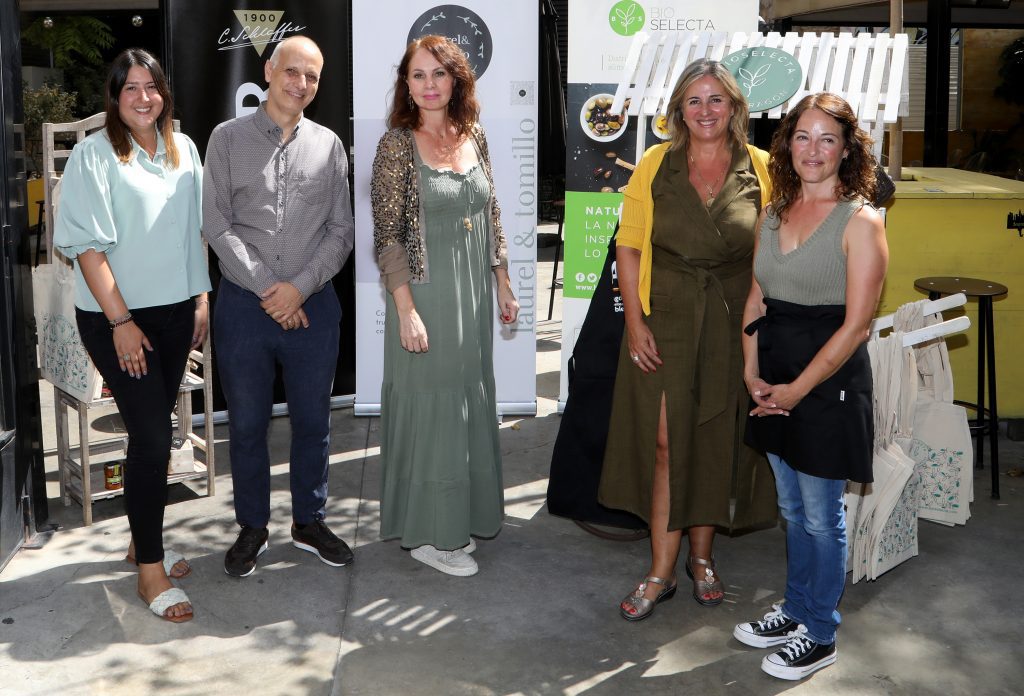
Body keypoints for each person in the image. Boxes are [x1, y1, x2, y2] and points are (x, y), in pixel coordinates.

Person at [600, 60, 777, 621]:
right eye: (694, 101)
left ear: (734, 108)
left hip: (732, 318)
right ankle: (660, 570)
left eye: (716, 100)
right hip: (664, 315)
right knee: (664, 444)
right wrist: (633, 321)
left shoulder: (764, 168)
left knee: (714, 441)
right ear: (679, 109)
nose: (705, 111)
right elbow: (628, 245)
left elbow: (772, 250)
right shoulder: (655, 164)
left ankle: (702, 561)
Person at [734, 93, 888, 680]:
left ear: (847, 148)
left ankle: (820, 631)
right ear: (787, 143)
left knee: (823, 516)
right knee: (793, 509)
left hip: (827, 385)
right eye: (803, 136)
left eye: (827, 138)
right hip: (772, 378)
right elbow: (755, 296)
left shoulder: (862, 221)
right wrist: (752, 373)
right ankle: (797, 608)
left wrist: (797, 390)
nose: (813, 150)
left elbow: (856, 326)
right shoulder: (774, 213)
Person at [54, 48, 211, 623]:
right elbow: (89, 251)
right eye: (130, 88)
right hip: (116, 318)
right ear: (115, 98)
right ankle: (150, 571)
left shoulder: (183, 149)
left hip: (175, 314)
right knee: (152, 436)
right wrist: (121, 322)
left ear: (163, 93)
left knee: (149, 432)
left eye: (152, 86)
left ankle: (135, 540)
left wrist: (200, 298)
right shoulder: (94, 156)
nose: (143, 97)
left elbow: (194, 231)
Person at [203, 36, 355, 577]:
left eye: (312, 77)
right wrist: (272, 288)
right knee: (246, 424)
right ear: (269, 71)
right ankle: (252, 526)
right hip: (245, 309)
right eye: (292, 72)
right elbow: (216, 225)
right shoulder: (225, 139)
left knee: (314, 422)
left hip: (314, 309)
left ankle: (309, 521)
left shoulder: (330, 146)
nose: (301, 84)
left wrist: (300, 287)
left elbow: (342, 231)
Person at [371, 35, 519, 577]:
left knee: (466, 405)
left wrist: (502, 280)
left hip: (472, 296)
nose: (429, 85)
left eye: (439, 74)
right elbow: (387, 238)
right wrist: (406, 309)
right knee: (433, 411)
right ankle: (433, 534)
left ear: (456, 80)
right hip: (426, 296)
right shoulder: (395, 145)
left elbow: (492, 211)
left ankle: (462, 516)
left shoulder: (474, 135)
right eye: (418, 75)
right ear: (406, 85)